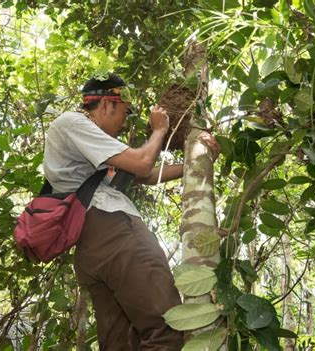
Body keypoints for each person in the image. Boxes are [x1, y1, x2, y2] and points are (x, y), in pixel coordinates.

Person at [43, 73, 220, 350]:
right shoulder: (72, 123)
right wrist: (159, 130)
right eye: (124, 113)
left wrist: (200, 160)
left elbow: (147, 176)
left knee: (121, 344)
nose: (124, 123)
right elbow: (142, 164)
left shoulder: (94, 148)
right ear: (105, 105)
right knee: (169, 327)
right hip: (112, 232)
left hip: (92, 248)